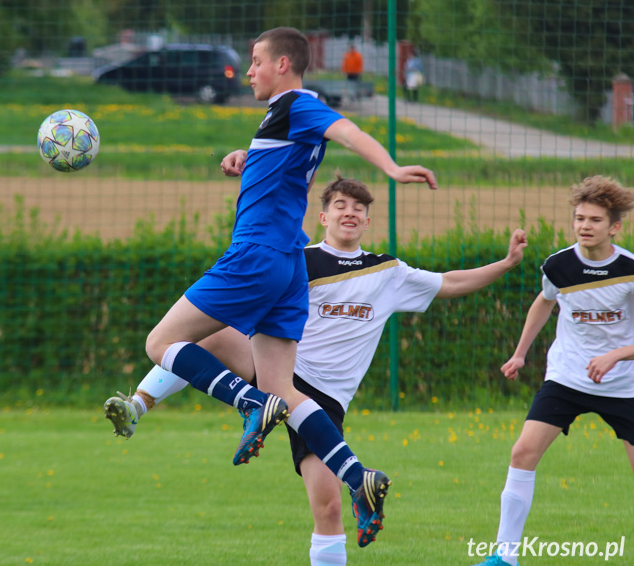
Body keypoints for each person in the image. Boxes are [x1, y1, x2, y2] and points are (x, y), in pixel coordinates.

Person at [119, 26, 436, 551]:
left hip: (258, 256)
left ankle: (246, 404)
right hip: (290, 266)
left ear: (284, 64)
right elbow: (287, 168)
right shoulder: (280, 118)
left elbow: (345, 130)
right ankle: (360, 477)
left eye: (255, 60)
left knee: (161, 343)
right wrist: (245, 160)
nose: (248, 71)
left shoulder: (297, 103)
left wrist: (392, 167)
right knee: (285, 391)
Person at [106, 176, 527, 566]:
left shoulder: (387, 272)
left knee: (328, 508)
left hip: (325, 399)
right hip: (280, 372)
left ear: (366, 220)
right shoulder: (296, 262)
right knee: (202, 334)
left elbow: (450, 283)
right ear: (323, 217)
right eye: (340, 205)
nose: (350, 212)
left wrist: (506, 263)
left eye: (358, 207)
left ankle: (296, 437)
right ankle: (138, 406)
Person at [470, 176, 634, 566]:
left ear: (614, 226)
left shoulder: (630, 269)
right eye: (579, 218)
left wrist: (617, 355)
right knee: (522, 452)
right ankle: (504, 557)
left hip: (624, 384)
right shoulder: (558, 265)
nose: (584, 226)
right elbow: (544, 303)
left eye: (594, 219)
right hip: (567, 377)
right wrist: (520, 354)